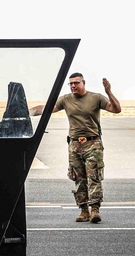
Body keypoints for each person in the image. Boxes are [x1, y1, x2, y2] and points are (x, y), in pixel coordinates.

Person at [31, 73, 121, 223]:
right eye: (71, 84)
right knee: (79, 178)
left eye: (76, 83)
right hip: (74, 145)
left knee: (94, 177)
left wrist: (109, 92)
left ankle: (95, 211)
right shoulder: (66, 99)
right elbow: (48, 108)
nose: (73, 86)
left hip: (92, 144)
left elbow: (116, 109)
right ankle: (84, 210)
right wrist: (27, 112)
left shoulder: (96, 98)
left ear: (83, 83)